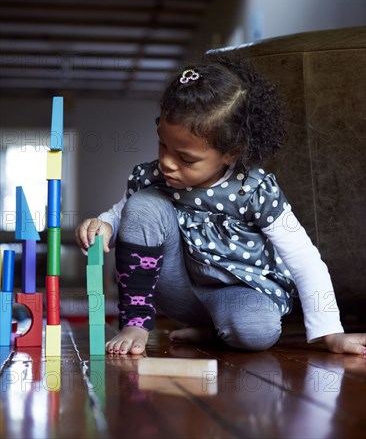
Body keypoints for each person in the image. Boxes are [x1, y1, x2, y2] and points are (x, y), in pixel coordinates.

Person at [75, 56, 366, 357]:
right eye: (162, 144)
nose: (167, 163)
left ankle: (215, 332)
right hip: (178, 289)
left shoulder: (254, 190)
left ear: (231, 153)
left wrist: (331, 333)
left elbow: (304, 258)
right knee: (144, 203)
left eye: (186, 159)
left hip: (237, 293)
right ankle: (135, 323)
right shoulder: (152, 177)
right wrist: (104, 225)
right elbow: (123, 213)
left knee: (257, 330)